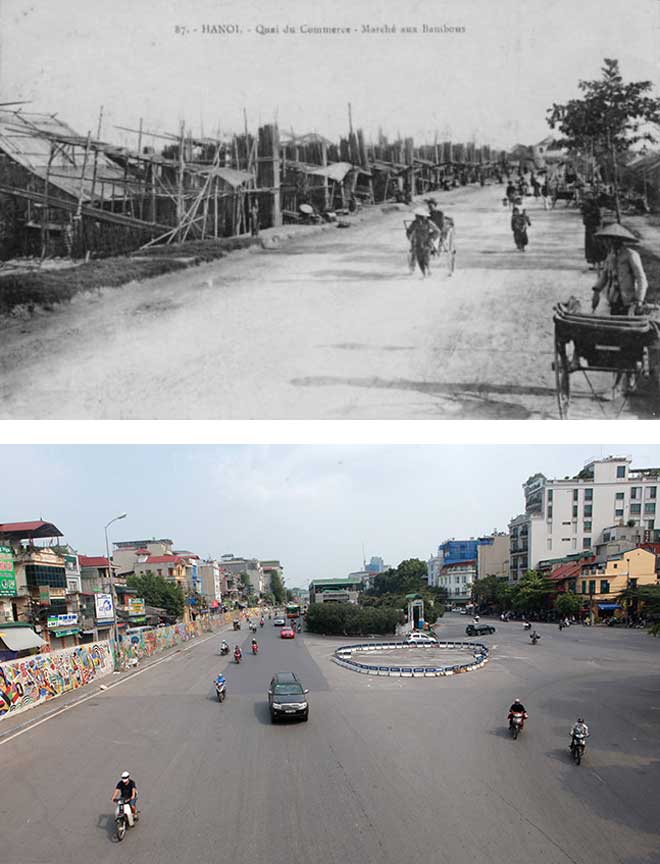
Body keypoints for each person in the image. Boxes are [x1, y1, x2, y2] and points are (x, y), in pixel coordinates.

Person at [591, 224, 648, 315]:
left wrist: (639, 300)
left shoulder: (630, 255)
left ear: (615, 240)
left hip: (629, 300)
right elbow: (604, 276)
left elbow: (641, 279)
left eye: (608, 240)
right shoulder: (610, 256)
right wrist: (596, 291)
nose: (605, 243)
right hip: (614, 299)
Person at [406, 208, 441, 277]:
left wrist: (432, 238)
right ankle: (424, 273)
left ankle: (427, 269)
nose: (416, 217)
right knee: (419, 258)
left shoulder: (428, 222)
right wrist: (410, 237)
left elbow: (437, 231)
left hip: (427, 242)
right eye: (416, 216)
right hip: (418, 242)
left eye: (418, 216)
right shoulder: (414, 223)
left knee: (426, 257)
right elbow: (409, 231)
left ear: (422, 217)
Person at [581, 195, 605, 270]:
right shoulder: (596, 210)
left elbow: (585, 221)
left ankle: (598, 264)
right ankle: (598, 264)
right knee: (596, 246)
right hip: (594, 229)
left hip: (593, 229)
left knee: (595, 246)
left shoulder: (593, 211)